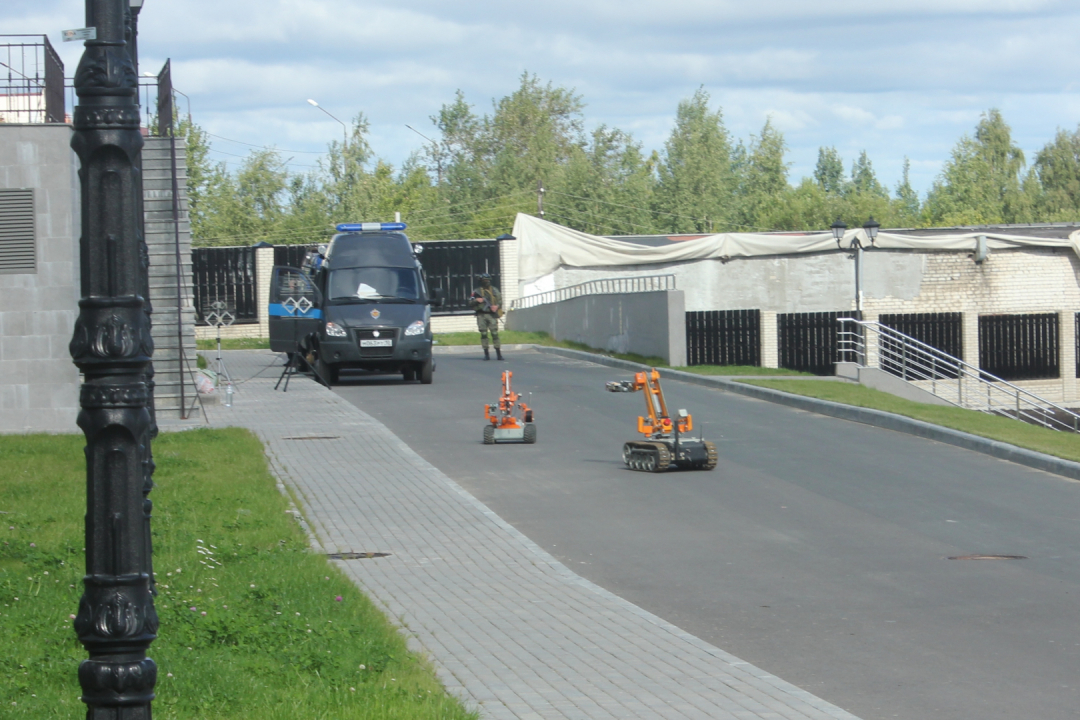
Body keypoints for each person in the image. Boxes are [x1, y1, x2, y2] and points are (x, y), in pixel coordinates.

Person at [469, 273, 504, 360]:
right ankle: (486, 354)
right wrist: (476, 300)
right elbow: (470, 302)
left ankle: (498, 354)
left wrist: (496, 306)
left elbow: (500, 301)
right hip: (481, 314)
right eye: (484, 281)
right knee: (484, 334)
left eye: (487, 281)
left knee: (494, 333)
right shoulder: (476, 291)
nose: (486, 282)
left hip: (491, 314)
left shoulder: (494, 291)